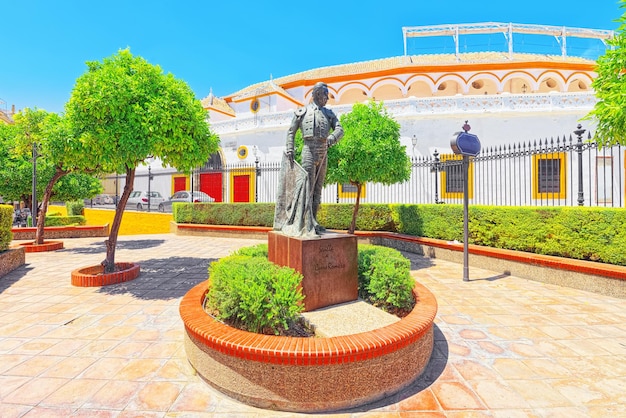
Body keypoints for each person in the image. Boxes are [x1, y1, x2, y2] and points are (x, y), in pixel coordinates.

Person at [274, 82, 344, 237]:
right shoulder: (302, 111)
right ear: (318, 94)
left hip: (323, 150)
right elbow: (291, 131)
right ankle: (306, 222)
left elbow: (340, 129)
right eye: (325, 95)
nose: (327, 99)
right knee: (307, 188)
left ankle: (313, 221)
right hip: (308, 150)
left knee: (318, 190)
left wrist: (332, 138)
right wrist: (290, 148)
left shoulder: (328, 113)